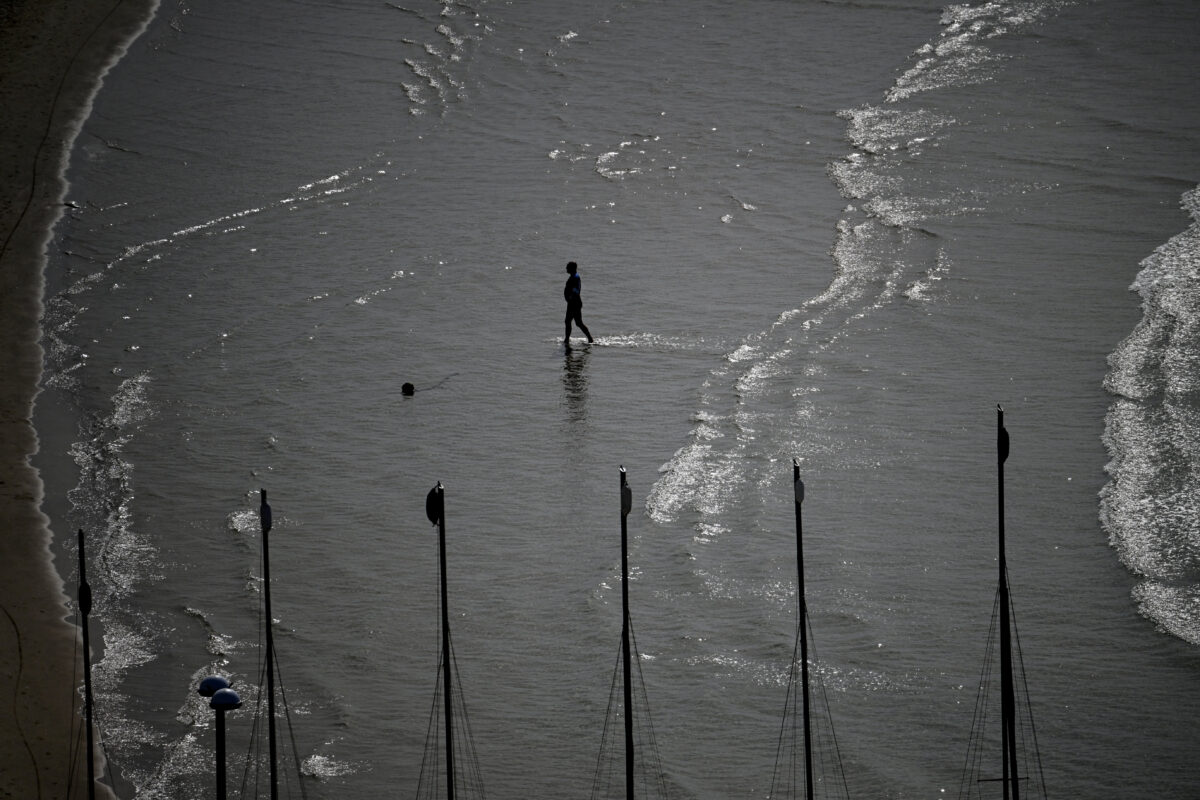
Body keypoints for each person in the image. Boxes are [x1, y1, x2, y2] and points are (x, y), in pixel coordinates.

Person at [563, 260, 594, 344]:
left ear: (572, 268)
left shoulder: (575, 277)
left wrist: (571, 295)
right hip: (572, 303)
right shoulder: (573, 277)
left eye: (568, 267)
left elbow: (577, 290)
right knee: (575, 322)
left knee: (572, 322)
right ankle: (589, 339)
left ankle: (567, 340)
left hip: (574, 303)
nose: (566, 268)